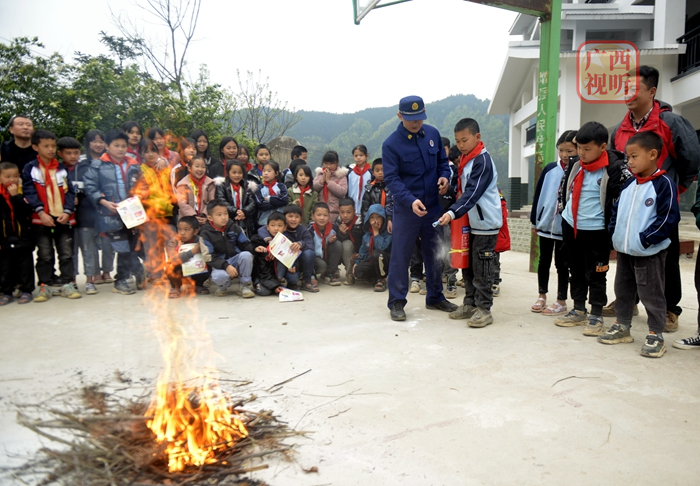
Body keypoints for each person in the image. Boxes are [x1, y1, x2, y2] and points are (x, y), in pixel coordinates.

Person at [606, 65, 700, 332]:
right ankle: (629, 302)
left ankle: (670, 309)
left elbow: (691, 158)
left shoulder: (670, 122)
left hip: (658, 204)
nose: (628, 94)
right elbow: (616, 164)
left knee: (664, 257)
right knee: (627, 256)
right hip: (630, 203)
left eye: (634, 89)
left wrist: (674, 188)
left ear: (652, 91)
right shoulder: (620, 128)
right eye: (624, 89)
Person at [598, 131, 680, 358]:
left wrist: (646, 239)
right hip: (625, 250)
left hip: (648, 252)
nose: (630, 162)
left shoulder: (664, 185)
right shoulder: (629, 185)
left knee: (651, 294)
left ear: (653, 154)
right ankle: (622, 326)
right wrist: (614, 234)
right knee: (623, 290)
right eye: (628, 157)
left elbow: (668, 219)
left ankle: (656, 334)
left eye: (634, 156)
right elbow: (616, 212)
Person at [383, 96, 457, 321]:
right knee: (400, 255)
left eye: (419, 118)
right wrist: (410, 200)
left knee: (434, 252)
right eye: (410, 119)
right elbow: (392, 179)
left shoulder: (433, 134)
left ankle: (435, 296)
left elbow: (443, 164)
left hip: (433, 206)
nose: (416, 123)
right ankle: (397, 301)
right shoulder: (391, 144)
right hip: (408, 209)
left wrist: (445, 178)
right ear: (399, 116)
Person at [554, 121, 630, 335]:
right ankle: (579, 309)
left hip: (597, 231)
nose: (582, 153)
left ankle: (596, 314)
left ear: (602, 147)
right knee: (575, 270)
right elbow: (563, 190)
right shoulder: (575, 164)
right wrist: (563, 212)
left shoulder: (614, 168)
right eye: (579, 148)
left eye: (587, 149)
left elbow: (620, 200)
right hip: (572, 227)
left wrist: (613, 230)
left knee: (597, 273)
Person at [438, 118, 502, 327]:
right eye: (458, 141)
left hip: (485, 224)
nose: (461, 145)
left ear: (477, 137)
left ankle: (484, 309)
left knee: (482, 268)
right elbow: (461, 188)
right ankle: (470, 304)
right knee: (468, 266)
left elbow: (472, 193)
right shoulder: (466, 159)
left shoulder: (482, 161)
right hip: (469, 221)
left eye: (464, 140)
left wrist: (452, 212)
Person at [22, 129, 79, 301]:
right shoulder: (30, 169)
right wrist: (40, 211)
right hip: (42, 218)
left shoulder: (61, 169)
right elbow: (29, 192)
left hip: (63, 216)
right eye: (46, 146)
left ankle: (68, 283)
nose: (51, 149)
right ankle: (44, 285)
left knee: (66, 252)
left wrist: (67, 211)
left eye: (53, 146)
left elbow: (70, 192)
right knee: (45, 253)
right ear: (35, 147)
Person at [84, 129, 143, 295]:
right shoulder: (98, 165)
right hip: (111, 214)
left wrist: (138, 196)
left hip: (131, 214)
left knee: (132, 247)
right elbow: (90, 186)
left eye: (123, 146)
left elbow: (143, 185)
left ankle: (134, 273)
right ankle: (121, 281)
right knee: (122, 247)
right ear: (107, 146)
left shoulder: (133, 164)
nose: (120, 149)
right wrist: (103, 202)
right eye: (116, 145)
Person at [529, 130, 577, 316]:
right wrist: (535, 221)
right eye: (561, 150)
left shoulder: (578, 171)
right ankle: (542, 295)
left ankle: (561, 300)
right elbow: (539, 195)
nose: (565, 155)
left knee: (562, 263)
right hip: (545, 224)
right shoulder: (550, 169)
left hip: (564, 227)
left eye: (569, 151)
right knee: (544, 261)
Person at [60, 136, 99, 295]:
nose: (73, 156)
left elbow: (93, 188)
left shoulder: (86, 168)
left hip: (86, 216)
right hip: (65, 218)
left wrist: (81, 196)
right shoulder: (58, 170)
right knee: (70, 251)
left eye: (76, 153)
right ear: (60, 153)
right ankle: (72, 281)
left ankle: (90, 281)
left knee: (89, 250)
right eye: (68, 153)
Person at [137, 139, 177, 286]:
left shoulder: (165, 168)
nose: (150, 154)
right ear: (141, 154)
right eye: (146, 151)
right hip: (150, 214)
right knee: (153, 246)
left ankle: (174, 272)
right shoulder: (140, 170)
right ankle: (155, 275)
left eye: (152, 150)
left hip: (167, 213)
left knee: (171, 244)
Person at [199, 200, 255, 298]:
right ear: (210, 218)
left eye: (226, 213)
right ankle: (222, 287)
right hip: (220, 263)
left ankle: (244, 285)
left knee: (247, 255)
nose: (224, 217)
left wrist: (254, 249)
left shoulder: (233, 227)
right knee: (219, 276)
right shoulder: (205, 233)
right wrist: (226, 266)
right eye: (219, 215)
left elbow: (245, 243)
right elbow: (209, 257)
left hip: (235, 259)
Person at [82, 129, 114, 285]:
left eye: (101, 141)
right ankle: (94, 272)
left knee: (108, 241)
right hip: (87, 208)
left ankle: (107, 271)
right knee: (90, 243)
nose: (98, 144)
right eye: (94, 141)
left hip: (108, 208)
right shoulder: (82, 163)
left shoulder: (110, 162)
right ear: (88, 143)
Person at [0, 162, 35, 304]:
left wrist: (15, 196)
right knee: (5, 266)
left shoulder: (23, 191)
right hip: (4, 237)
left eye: (15, 176)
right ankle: (7, 291)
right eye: (7, 176)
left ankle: (26, 290)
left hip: (23, 236)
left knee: (25, 265)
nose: (12, 180)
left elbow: (27, 212)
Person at [166, 215, 211, 298]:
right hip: (180, 269)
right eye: (179, 229)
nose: (182, 233)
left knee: (208, 263)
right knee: (169, 266)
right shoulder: (173, 241)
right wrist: (192, 251)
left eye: (186, 230)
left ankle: (198, 284)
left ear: (195, 231)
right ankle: (176, 287)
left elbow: (209, 255)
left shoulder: (200, 240)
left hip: (195, 268)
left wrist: (200, 249)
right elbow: (174, 259)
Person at [352, 203, 392, 292]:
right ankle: (374, 277)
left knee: (377, 253)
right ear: (368, 220)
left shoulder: (388, 233)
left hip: (386, 262)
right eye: (372, 217)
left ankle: (382, 279)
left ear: (383, 218)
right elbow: (363, 252)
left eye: (378, 217)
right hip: (372, 262)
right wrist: (356, 263)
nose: (375, 220)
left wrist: (376, 232)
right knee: (358, 271)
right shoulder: (366, 236)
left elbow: (381, 247)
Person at [276, 205, 316, 291]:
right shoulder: (280, 228)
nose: (293, 219)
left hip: (298, 264)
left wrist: (301, 244)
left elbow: (310, 244)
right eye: (290, 216)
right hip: (283, 263)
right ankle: (279, 282)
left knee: (309, 253)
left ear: (301, 219)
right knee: (292, 278)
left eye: (297, 217)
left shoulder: (303, 230)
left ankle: (306, 281)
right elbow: (263, 230)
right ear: (284, 217)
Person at [215, 160, 257, 237]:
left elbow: (252, 203)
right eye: (234, 172)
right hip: (228, 220)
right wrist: (236, 211)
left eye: (240, 173)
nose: (237, 175)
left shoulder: (247, 186)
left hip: (245, 221)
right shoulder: (222, 186)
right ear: (227, 173)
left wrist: (244, 212)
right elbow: (222, 201)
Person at [250, 211, 285, 296]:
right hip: (261, 274)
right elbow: (263, 270)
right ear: (267, 227)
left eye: (280, 225)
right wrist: (275, 286)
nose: (276, 228)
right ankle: (257, 282)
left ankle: (278, 281)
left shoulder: (285, 241)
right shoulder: (261, 243)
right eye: (273, 225)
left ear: (285, 228)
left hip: (274, 274)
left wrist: (293, 265)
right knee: (264, 292)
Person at [177, 155, 216, 228]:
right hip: (187, 220)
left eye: (203, 167)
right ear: (189, 168)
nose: (200, 169)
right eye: (197, 166)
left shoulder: (210, 183)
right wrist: (193, 216)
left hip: (206, 220)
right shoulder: (182, 184)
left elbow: (212, 201)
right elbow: (182, 204)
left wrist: (204, 215)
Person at [309, 202, 342, 286]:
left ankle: (330, 274)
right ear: (313, 216)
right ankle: (310, 274)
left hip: (327, 256)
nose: (322, 218)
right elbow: (309, 251)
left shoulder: (333, 228)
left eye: (325, 215)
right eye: (319, 215)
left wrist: (335, 239)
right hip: (315, 258)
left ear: (329, 216)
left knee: (337, 244)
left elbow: (342, 240)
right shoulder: (309, 230)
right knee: (322, 265)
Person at [313, 150, 348, 223]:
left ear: (337, 163)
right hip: (320, 211)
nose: (328, 166)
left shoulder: (341, 175)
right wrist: (322, 180)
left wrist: (329, 181)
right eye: (326, 163)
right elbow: (313, 188)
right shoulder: (320, 174)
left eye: (331, 163)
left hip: (334, 212)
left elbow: (342, 192)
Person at [335, 197, 363, 285]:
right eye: (342, 212)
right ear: (338, 211)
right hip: (346, 253)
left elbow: (361, 240)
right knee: (343, 243)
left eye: (348, 212)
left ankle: (353, 272)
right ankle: (348, 273)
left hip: (360, 253)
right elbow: (338, 243)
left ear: (354, 211)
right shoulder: (338, 222)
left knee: (347, 244)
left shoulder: (360, 222)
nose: (345, 215)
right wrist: (342, 234)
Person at [360, 158, 394, 231]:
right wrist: (367, 224)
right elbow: (365, 210)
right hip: (374, 224)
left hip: (390, 222)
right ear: (373, 173)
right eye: (377, 170)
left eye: (383, 170)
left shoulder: (392, 188)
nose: (380, 173)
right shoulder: (369, 190)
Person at [253, 160, 288, 226]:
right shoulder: (258, 188)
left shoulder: (281, 186)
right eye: (264, 171)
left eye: (269, 171)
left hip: (280, 222)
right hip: (263, 222)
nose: (266, 173)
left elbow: (284, 200)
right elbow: (260, 204)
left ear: (276, 173)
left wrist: (269, 199)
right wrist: (277, 203)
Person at [492, 188, 511, 297]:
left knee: (494, 260)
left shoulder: (498, 196)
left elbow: (502, 217)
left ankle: (495, 282)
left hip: (496, 234)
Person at [347, 145, 373, 216]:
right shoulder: (350, 173)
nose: (358, 158)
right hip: (351, 207)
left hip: (366, 207)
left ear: (366, 156)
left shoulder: (371, 173)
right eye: (356, 156)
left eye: (361, 155)